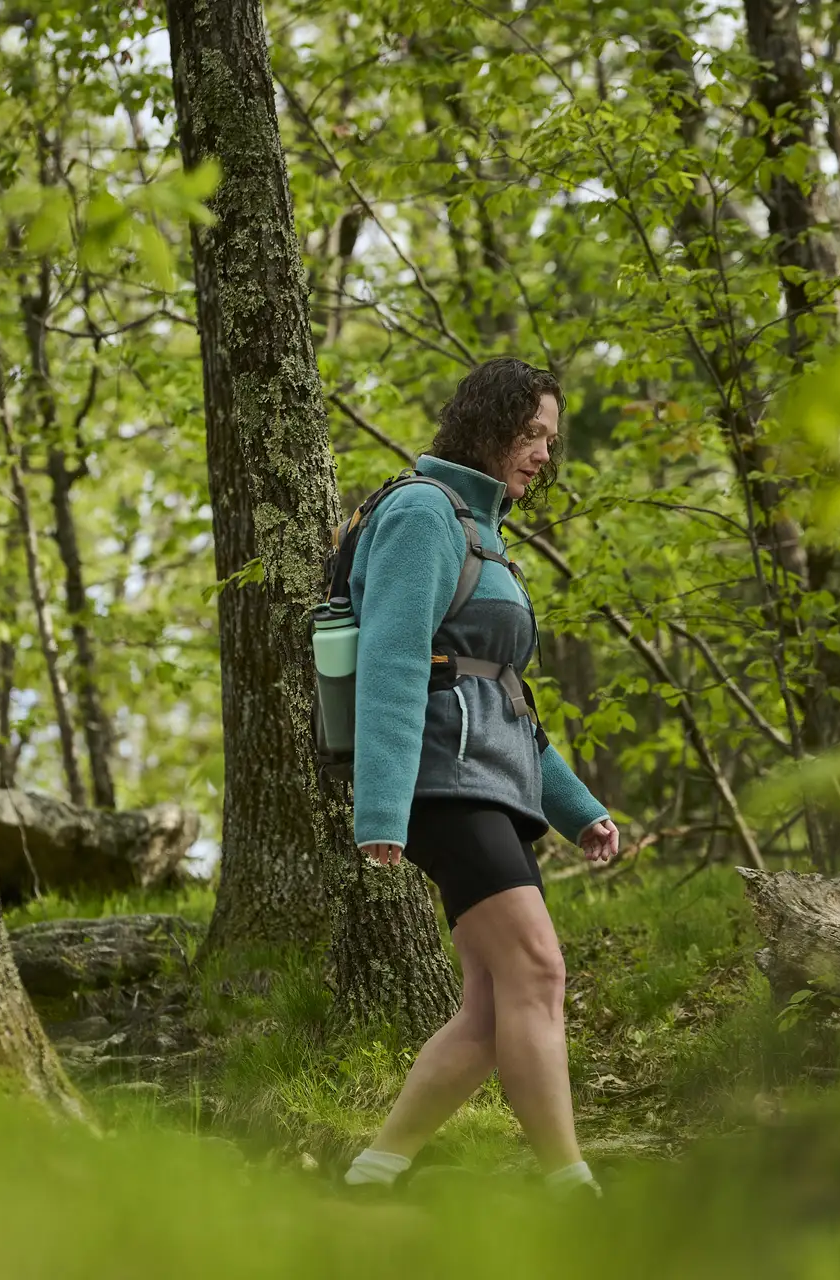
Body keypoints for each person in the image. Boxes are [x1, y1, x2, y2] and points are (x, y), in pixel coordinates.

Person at [339, 357, 620, 1199]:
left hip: (483, 781)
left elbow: (505, 703)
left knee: (495, 1010)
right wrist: (380, 806)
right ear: (489, 425)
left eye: (550, 440)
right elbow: (393, 659)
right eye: (531, 434)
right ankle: (571, 1188)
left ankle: (372, 1173)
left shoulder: (481, 532)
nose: (543, 454)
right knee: (538, 970)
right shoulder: (425, 513)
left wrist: (579, 811)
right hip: (439, 782)